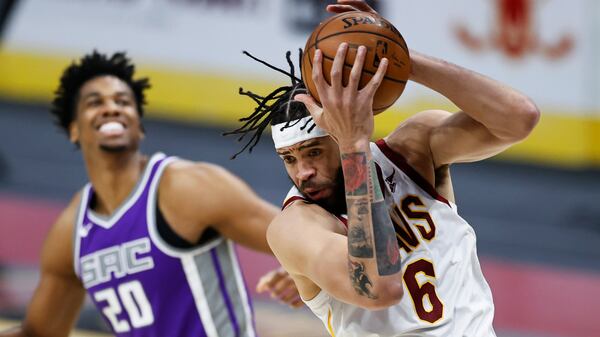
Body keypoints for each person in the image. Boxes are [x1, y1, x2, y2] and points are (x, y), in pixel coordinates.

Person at [226, 1, 540, 336]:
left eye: (313, 152)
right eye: (289, 159)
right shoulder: (296, 226)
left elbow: (519, 118)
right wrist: (353, 148)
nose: (303, 172)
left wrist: (398, 58)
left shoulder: (412, 151)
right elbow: (380, 288)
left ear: (340, 131)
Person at [1, 51, 300, 337]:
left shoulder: (188, 187)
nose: (112, 107)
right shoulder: (72, 229)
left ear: (139, 126)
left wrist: (304, 268)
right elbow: (39, 332)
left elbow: (301, 240)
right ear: (74, 129)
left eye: (123, 101)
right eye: (95, 102)